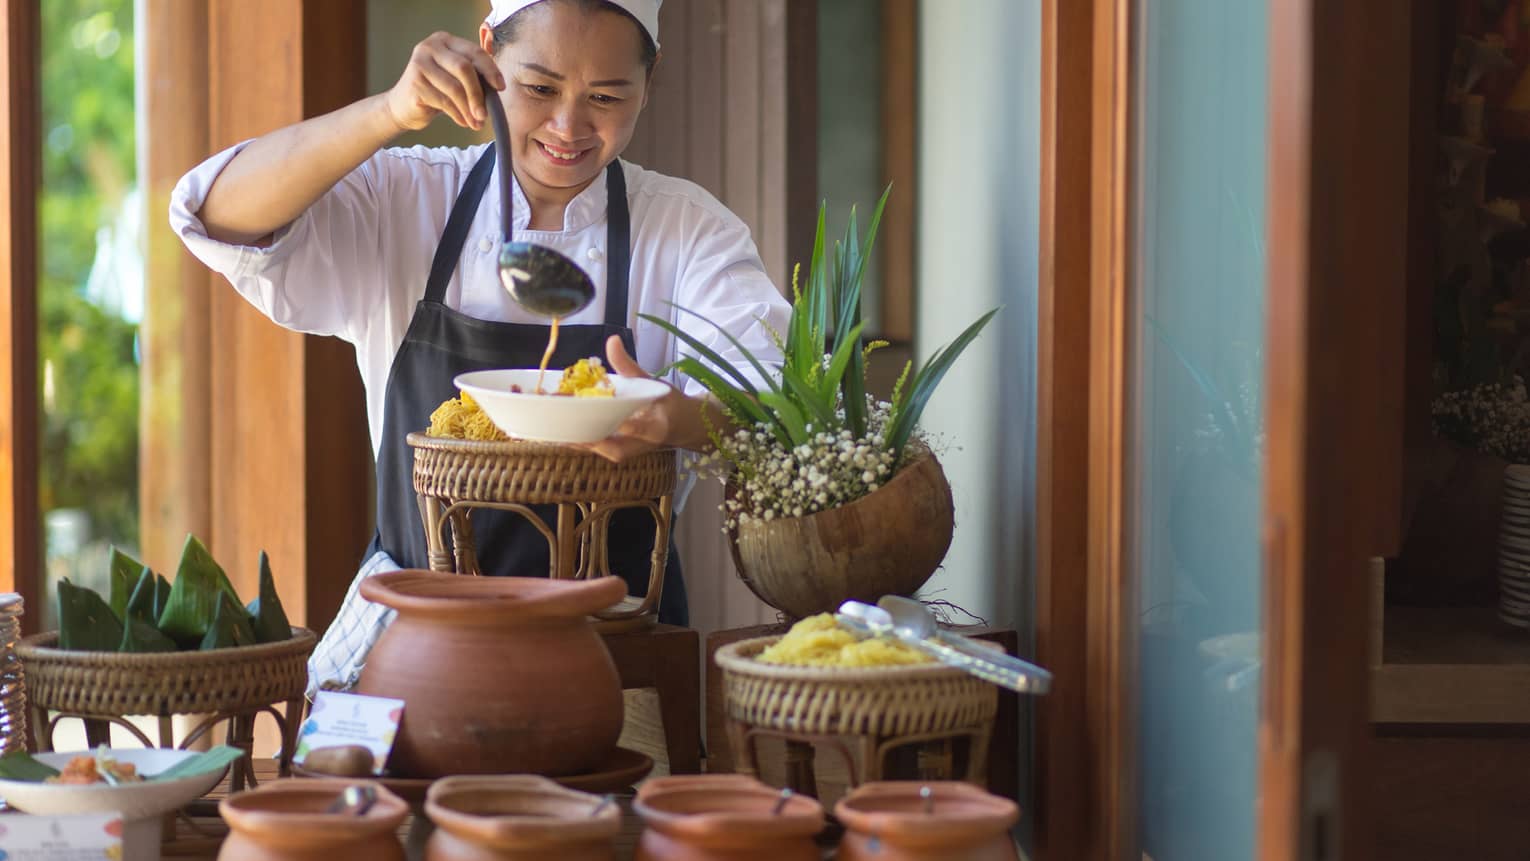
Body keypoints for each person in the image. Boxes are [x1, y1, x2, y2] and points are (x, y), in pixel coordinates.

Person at [168, 0, 790, 694]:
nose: (568, 127)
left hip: (613, 656)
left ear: (652, 78)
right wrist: (388, 112)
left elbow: (768, 407)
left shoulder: (689, 232)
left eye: (607, 97)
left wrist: (672, 418)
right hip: (414, 648)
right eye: (540, 88)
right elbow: (215, 215)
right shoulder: (409, 196)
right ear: (488, 53)